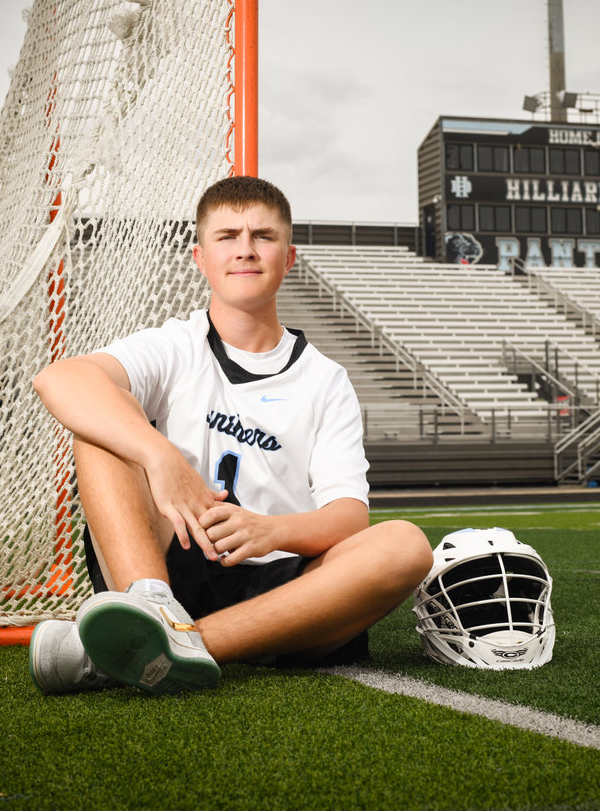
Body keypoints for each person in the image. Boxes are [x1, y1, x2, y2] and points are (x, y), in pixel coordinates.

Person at [28, 175, 434, 694]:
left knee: (404, 546)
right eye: (227, 236)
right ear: (200, 258)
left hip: (283, 594)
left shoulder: (325, 379)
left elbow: (349, 518)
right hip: (168, 562)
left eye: (263, 236)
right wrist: (161, 457)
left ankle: (149, 649)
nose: (245, 249)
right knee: (103, 425)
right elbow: (58, 378)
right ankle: (152, 607)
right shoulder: (177, 345)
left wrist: (270, 531)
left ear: (288, 258)